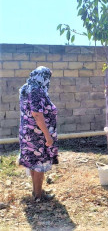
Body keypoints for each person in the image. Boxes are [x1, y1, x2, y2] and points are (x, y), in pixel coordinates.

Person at [19, 66, 58, 202]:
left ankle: (37, 191)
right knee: (40, 164)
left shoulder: (26, 87)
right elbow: (36, 114)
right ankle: (38, 196)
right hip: (37, 135)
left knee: (33, 163)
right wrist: (47, 135)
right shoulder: (36, 90)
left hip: (28, 133)